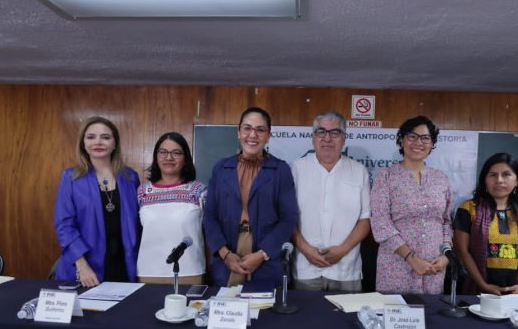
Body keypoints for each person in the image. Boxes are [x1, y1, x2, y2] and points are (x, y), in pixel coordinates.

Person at [203, 107, 299, 288]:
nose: (252, 135)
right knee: (228, 310)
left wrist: (262, 254)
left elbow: (288, 218)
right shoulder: (221, 168)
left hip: (266, 253)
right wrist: (225, 254)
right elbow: (210, 216)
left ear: (268, 135)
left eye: (260, 130)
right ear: (238, 132)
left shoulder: (280, 170)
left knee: (264, 311)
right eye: (247, 128)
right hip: (228, 250)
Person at [370, 115, 453, 294]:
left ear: (432, 144)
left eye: (425, 138)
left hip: (434, 266)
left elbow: (446, 221)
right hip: (396, 265)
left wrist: (446, 255)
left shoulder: (441, 179)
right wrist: (412, 258)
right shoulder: (385, 177)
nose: (418, 142)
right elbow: (380, 223)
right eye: (412, 136)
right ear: (401, 140)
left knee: (430, 317)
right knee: (396, 318)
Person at [54, 116, 140, 287]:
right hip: (87, 269)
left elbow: (139, 222)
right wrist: (82, 265)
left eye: (105, 137)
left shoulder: (130, 177)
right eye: (91, 137)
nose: (98, 142)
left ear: (115, 144)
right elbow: (64, 226)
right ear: (83, 143)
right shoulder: (71, 177)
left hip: (124, 265)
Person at [291, 111, 371, 292]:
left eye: (335, 133)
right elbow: (287, 217)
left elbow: (365, 219)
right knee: (307, 318)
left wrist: (342, 250)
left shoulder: (359, 171)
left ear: (344, 138)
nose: (327, 138)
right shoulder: (296, 169)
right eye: (321, 132)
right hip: (306, 268)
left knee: (346, 319)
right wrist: (307, 250)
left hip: (346, 270)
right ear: (313, 137)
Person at [453, 153, 518, 295]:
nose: (499, 180)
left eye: (506, 174)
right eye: (493, 175)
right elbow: (463, 251)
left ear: (517, 180)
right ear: (484, 180)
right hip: (478, 290)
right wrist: (483, 285)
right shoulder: (469, 209)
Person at [136, 132, 206, 285]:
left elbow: (212, 229)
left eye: (176, 153)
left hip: (190, 271)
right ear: (156, 156)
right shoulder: (142, 192)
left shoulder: (198, 190)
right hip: (149, 271)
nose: (169, 157)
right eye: (163, 152)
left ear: (185, 158)